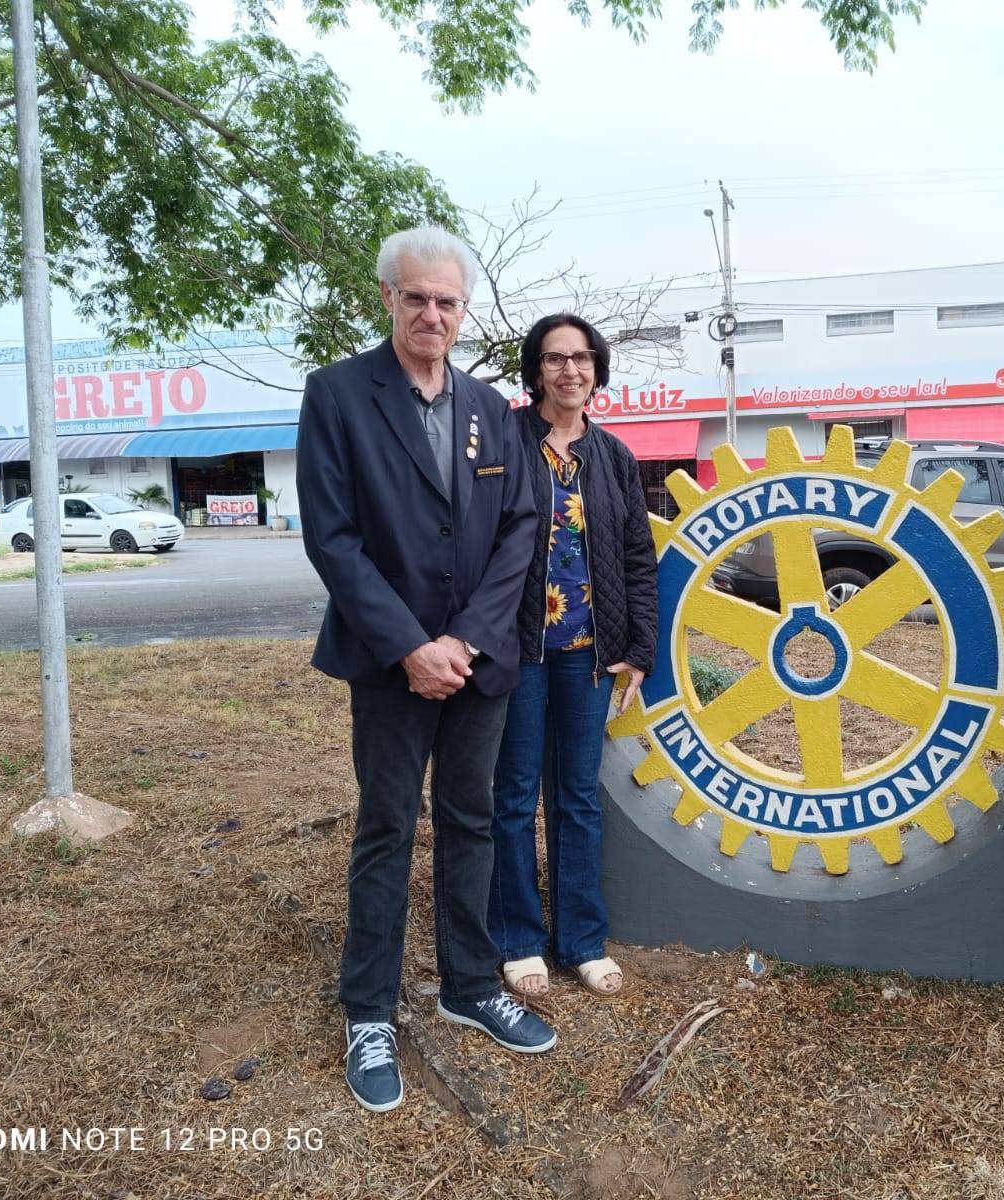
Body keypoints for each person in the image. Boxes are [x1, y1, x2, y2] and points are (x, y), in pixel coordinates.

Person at [296, 224, 558, 1115]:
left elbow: (522, 524)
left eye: (447, 302)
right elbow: (332, 538)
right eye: (417, 298)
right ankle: (368, 1009)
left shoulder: (490, 407)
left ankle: (469, 981)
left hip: (478, 664)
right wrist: (412, 646)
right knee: (385, 830)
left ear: (465, 311)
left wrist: (470, 641)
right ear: (388, 299)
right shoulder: (337, 395)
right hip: (390, 663)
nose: (432, 314)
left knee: (473, 822)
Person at [488, 314, 658, 1000]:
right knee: (513, 796)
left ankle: (582, 942)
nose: (569, 370)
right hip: (517, 650)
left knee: (579, 799)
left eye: (581, 359)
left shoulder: (613, 456)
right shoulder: (503, 444)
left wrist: (639, 646)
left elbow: (637, 558)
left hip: (590, 653)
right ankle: (519, 940)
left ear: (597, 370)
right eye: (555, 359)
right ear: (536, 372)